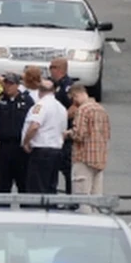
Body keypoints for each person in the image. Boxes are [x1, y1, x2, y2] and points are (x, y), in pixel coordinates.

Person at [22, 79, 67, 193]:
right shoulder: (61, 108)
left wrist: (26, 142)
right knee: (50, 187)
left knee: (37, 187)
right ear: (53, 91)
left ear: (39, 90)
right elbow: (63, 132)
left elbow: (34, 126)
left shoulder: (41, 106)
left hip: (41, 150)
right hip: (56, 150)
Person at [0, 72, 34, 193]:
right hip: (3, 146)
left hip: (20, 147)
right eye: (6, 83)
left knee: (23, 183)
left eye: (11, 84)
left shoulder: (27, 100)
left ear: (17, 85)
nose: (8, 86)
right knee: (4, 183)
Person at [67, 84, 111, 198]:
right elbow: (107, 133)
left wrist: (68, 133)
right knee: (96, 196)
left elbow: (79, 135)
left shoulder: (83, 110)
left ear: (76, 95)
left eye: (73, 99)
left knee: (82, 196)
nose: (73, 103)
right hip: (99, 158)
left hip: (83, 158)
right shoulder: (101, 109)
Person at [48, 58, 76, 193]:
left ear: (60, 69)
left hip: (65, 134)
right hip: (56, 133)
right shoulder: (55, 84)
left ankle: (71, 197)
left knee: (67, 168)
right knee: (53, 167)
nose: (50, 70)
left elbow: (75, 107)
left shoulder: (67, 86)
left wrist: (60, 119)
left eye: (52, 67)